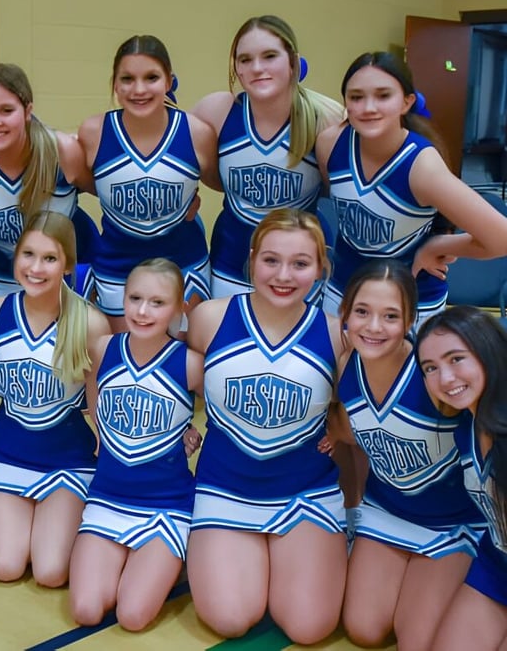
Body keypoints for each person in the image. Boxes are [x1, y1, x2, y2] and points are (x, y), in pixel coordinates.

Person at [186, 209, 345, 644]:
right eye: (271, 260)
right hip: (224, 488)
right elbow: (173, 377)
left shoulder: (337, 334)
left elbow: (363, 401)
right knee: (230, 618)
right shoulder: (210, 319)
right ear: (252, 258)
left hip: (305, 494)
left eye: (300, 263)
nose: (284, 275)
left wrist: (341, 431)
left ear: (320, 268)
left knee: (309, 627)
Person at [322, 259, 482, 649]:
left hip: (452, 524)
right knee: (364, 629)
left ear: (410, 319)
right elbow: (355, 429)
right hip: (386, 510)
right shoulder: (345, 365)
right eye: (362, 312)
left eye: (390, 316)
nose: (374, 327)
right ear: (345, 314)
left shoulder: (434, 377)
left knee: (417, 640)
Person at [316, 51, 507, 327]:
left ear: (407, 102)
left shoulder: (422, 167)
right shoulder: (329, 143)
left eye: (383, 96)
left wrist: (438, 246)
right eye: (356, 97)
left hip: (409, 305)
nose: (369, 107)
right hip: (343, 293)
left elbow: (501, 237)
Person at [69, 258, 203, 631]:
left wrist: (191, 430)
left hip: (165, 508)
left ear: (179, 309)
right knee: (85, 610)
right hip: (107, 499)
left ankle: (173, 556)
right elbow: (96, 397)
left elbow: (229, 416)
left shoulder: (192, 365)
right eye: (135, 298)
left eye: (158, 303)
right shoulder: (103, 348)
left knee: (132, 616)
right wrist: (102, 434)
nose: (143, 311)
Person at [0, 211, 110, 586]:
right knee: (6, 567)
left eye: (49, 258)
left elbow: (100, 408)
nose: (36, 268)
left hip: (67, 460)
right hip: (7, 453)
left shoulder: (90, 323)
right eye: (28, 255)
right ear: (15, 257)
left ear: (67, 263)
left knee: (51, 572)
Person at [192, 16, 344, 299]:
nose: (257, 68)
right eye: (245, 59)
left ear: (293, 62)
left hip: (300, 270)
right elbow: (194, 169)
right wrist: (188, 197)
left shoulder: (325, 117)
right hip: (231, 263)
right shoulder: (215, 111)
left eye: (270, 56)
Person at [78, 35, 218, 331]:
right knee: (121, 365)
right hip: (117, 267)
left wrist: (189, 200)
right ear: (114, 84)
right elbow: (88, 185)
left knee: (182, 366)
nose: (138, 89)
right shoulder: (93, 132)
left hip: (185, 264)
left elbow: (221, 184)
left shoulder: (197, 134)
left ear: (169, 81)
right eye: (127, 79)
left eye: (151, 77)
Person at [0, 63, 97, 298]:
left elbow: (108, 198)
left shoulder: (62, 150)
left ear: (27, 110)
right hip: (4, 278)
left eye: (7, 110)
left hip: (68, 277)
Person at [418, 306, 507, 650]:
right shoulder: (466, 426)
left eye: (456, 359)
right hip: (497, 562)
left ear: (488, 352)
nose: (446, 378)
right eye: (431, 368)